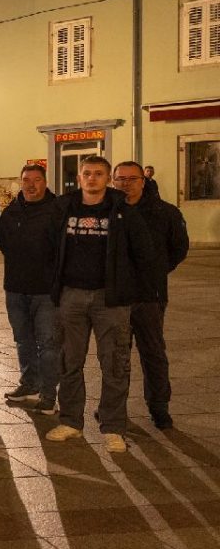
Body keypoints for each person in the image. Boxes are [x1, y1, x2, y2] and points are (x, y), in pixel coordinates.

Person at [45, 156, 157, 454]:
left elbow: (144, 253)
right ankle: (70, 421)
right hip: (71, 296)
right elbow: (48, 247)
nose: (91, 179)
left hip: (111, 300)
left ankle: (113, 428)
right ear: (79, 178)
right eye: (86, 174)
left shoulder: (122, 211)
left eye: (98, 174)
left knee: (115, 364)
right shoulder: (63, 208)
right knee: (69, 362)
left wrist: (131, 288)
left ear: (108, 178)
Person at [112, 161, 189, 430]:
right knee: (116, 356)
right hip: (115, 296)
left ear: (143, 181)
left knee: (153, 353)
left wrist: (156, 271)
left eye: (132, 179)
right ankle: (113, 409)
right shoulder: (107, 211)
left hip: (149, 296)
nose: (125, 184)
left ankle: (159, 408)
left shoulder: (164, 212)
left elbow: (179, 248)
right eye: (120, 179)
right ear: (113, 181)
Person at [0, 164, 61, 415]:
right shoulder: (11, 211)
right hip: (16, 287)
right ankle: (29, 384)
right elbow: (3, 242)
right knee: (23, 340)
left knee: (48, 343)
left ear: (45, 182)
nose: (31, 185)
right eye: (26, 180)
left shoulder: (57, 210)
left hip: (46, 290)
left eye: (36, 180)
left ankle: (48, 394)